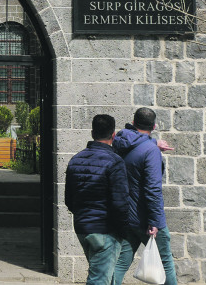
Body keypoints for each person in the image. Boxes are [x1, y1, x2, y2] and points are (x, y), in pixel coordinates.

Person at [113, 107, 178, 285]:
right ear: (154, 126)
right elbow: (152, 189)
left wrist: (153, 143)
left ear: (133, 123)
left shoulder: (120, 143)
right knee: (166, 264)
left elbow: (136, 145)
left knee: (120, 264)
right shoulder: (151, 151)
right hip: (146, 219)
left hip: (127, 217)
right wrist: (155, 221)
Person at [65, 114, 129, 285]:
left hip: (83, 227)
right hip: (105, 230)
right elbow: (120, 203)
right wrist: (123, 230)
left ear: (92, 133)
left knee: (104, 275)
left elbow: (69, 200)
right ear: (113, 135)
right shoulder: (115, 162)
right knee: (99, 279)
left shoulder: (75, 160)